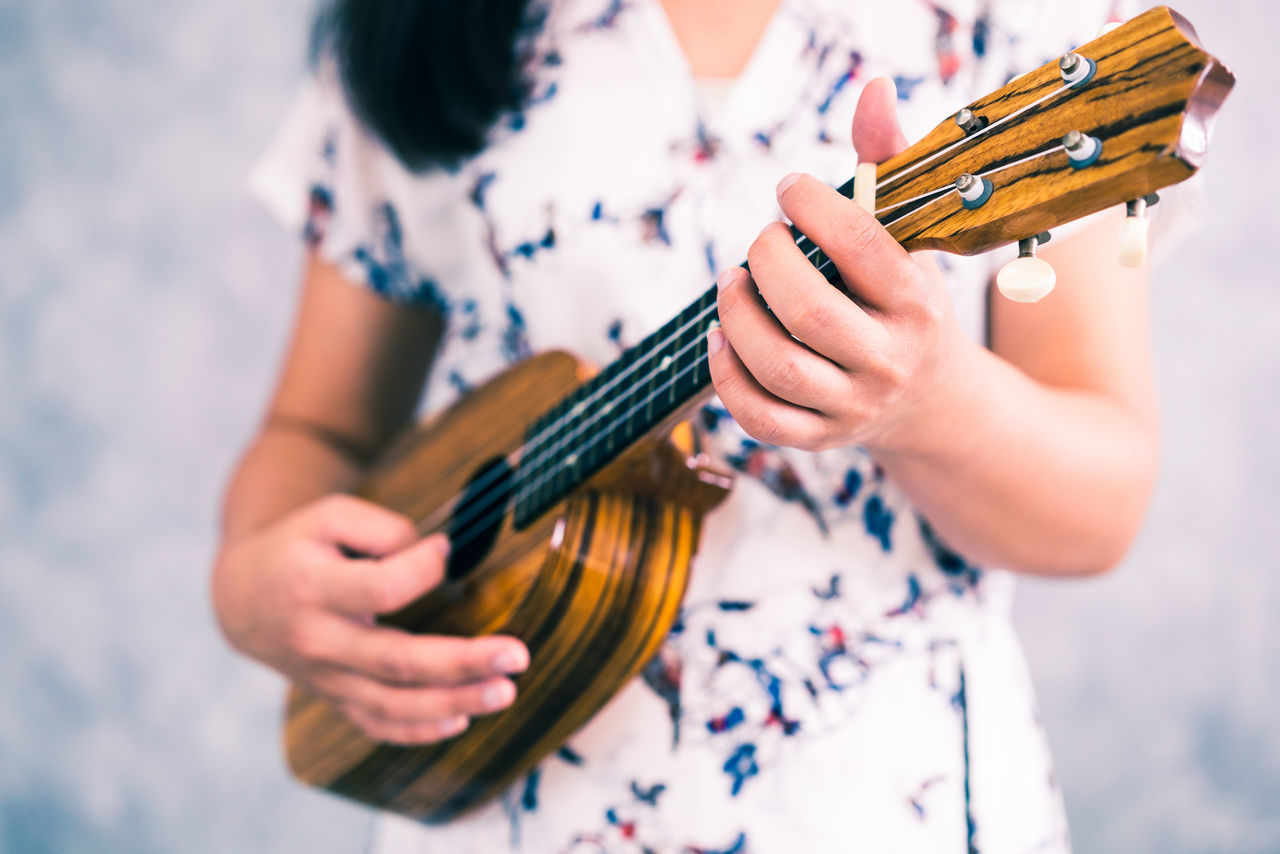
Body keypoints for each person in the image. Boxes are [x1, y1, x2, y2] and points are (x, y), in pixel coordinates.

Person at [213, 0, 1157, 850]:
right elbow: (315, 429)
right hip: (502, 803)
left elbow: (1099, 507)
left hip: (880, 806)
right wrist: (250, 576)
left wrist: (931, 403)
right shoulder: (427, 21)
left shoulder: (1023, 16)